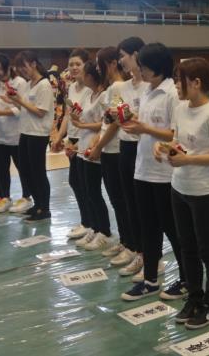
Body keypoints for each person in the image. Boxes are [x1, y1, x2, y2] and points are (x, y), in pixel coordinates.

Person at [164, 57, 209, 329]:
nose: (176, 86)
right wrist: (165, 148)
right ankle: (194, 298)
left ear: (196, 83)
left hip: (204, 193)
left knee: (208, 251)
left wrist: (188, 160)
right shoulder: (180, 108)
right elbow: (176, 140)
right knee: (187, 248)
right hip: (179, 188)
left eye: (179, 81)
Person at [120, 43, 186, 302]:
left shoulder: (171, 93)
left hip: (164, 173)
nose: (140, 71)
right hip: (143, 169)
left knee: (172, 228)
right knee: (147, 228)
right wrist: (134, 124)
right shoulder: (147, 91)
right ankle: (150, 281)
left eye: (144, 67)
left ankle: (187, 279)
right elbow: (146, 128)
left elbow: (174, 134)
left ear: (158, 67)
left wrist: (144, 128)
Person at [84, 47, 134, 259]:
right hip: (108, 149)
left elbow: (116, 123)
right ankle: (125, 241)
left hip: (115, 150)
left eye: (100, 64)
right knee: (117, 200)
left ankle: (132, 244)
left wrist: (99, 146)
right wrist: (97, 141)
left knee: (122, 201)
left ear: (112, 64)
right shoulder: (113, 88)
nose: (97, 69)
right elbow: (107, 122)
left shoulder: (119, 87)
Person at [110, 37, 148, 274]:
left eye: (123, 55)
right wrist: (114, 114)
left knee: (144, 206)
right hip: (125, 147)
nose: (120, 61)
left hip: (144, 148)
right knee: (129, 203)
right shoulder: (121, 88)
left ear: (136, 54)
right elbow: (116, 114)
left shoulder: (151, 86)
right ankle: (137, 250)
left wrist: (133, 117)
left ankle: (150, 256)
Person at [5, 51, 55, 223]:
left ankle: (44, 208)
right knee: (26, 171)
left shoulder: (44, 85)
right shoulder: (28, 84)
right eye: (19, 68)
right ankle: (37, 204)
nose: (22, 70)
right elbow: (24, 107)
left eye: (24, 66)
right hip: (25, 132)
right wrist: (13, 100)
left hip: (38, 134)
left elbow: (40, 112)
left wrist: (20, 101)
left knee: (38, 172)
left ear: (33, 64)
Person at [71, 59, 113, 251]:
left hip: (96, 148)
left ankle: (104, 230)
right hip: (83, 147)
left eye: (83, 73)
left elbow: (105, 123)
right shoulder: (89, 94)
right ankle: (95, 228)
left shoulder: (104, 96)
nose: (79, 75)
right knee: (87, 191)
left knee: (94, 192)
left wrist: (82, 125)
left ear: (90, 76)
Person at [0, 54, 30, 214]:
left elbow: (22, 108)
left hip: (17, 134)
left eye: (2, 69)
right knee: (1, 168)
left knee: (22, 167)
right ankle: (5, 197)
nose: (0, 73)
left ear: (9, 67)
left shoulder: (20, 83)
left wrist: (1, 112)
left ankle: (26, 197)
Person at [58, 49, 94, 241]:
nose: (73, 68)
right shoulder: (71, 88)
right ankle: (86, 221)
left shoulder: (91, 88)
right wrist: (60, 137)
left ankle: (92, 224)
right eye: (71, 64)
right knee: (75, 182)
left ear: (86, 65)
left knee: (87, 185)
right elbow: (67, 115)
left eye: (77, 64)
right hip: (73, 139)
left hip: (87, 140)